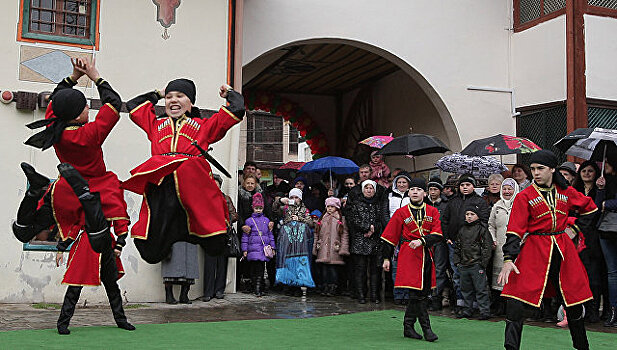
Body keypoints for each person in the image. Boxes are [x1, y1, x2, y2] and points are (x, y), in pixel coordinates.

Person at [122, 78, 244, 264]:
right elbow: (133, 105)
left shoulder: (204, 125)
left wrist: (229, 93)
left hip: (193, 187)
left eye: (180, 96)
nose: (173, 100)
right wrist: (157, 94)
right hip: (162, 186)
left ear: (191, 102)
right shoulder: (155, 125)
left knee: (213, 237)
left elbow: (236, 110)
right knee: (149, 244)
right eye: (169, 97)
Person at [19, 57, 129, 255]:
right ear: (78, 116)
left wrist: (74, 76)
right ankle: (118, 241)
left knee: (27, 230)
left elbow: (56, 96)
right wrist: (95, 76)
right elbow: (113, 103)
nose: (89, 108)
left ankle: (34, 191)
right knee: (104, 226)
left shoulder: (55, 127)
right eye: (86, 106)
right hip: (96, 185)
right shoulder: (89, 134)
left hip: (64, 190)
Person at [14, 163, 134, 335]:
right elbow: (77, 225)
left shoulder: (108, 191)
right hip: (88, 243)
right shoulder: (90, 195)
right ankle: (62, 323)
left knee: (111, 285)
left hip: (105, 241)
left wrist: (120, 244)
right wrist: (61, 247)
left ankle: (121, 320)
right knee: (76, 286)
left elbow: (120, 220)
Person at [498, 150, 597, 350]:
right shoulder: (524, 196)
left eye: (540, 168)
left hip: (563, 251)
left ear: (552, 169)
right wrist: (508, 259)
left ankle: (582, 346)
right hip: (534, 251)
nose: (535, 173)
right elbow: (515, 230)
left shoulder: (565, 191)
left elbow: (590, 208)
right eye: (533, 169)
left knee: (573, 302)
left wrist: (574, 229)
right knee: (515, 302)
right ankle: (511, 347)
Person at [381, 177, 442, 342]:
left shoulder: (432, 211)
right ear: (408, 192)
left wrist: (422, 241)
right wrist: (386, 257)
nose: (415, 192)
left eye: (418, 189)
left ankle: (408, 326)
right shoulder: (401, 213)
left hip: (425, 256)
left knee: (420, 295)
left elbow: (437, 234)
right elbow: (389, 236)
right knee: (417, 294)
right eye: (412, 189)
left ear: (424, 193)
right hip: (408, 256)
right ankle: (427, 329)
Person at [441, 173, 489, 312]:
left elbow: (484, 221)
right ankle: (462, 304)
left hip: (474, 245)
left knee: (476, 277)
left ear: (473, 186)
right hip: (455, 243)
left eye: (468, 185)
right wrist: (446, 237)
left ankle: (477, 305)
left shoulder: (479, 202)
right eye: (462, 185)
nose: (465, 187)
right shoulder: (453, 201)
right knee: (457, 274)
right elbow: (445, 220)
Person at [573, 160, 607, 323]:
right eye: (583, 171)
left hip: (593, 237)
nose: (586, 173)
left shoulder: (599, 189)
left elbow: (597, 209)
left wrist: (600, 190)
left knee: (594, 275)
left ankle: (593, 310)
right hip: (575, 235)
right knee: (578, 274)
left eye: (590, 171)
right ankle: (581, 309)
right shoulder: (575, 190)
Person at [347, 180, 388, 304]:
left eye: (371, 188)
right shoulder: (356, 204)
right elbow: (353, 220)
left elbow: (382, 220)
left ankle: (375, 295)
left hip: (375, 240)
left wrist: (374, 228)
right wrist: (366, 227)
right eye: (366, 188)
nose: (369, 190)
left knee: (375, 270)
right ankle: (361, 294)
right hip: (360, 240)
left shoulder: (379, 204)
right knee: (361, 270)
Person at [202, 174, 238, 302]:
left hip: (224, 234)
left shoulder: (226, 198)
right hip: (210, 235)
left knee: (222, 264)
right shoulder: (205, 199)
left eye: (216, 184)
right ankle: (208, 292)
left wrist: (225, 218)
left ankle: (219, 290)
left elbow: (234, 215)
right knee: (209, 264)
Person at [453, 203, 492, 319]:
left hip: (477, 264)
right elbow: (457, 246)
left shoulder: (482, 230)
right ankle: (467, 309)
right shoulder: (462, 230)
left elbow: (487, 247)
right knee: (465, 289)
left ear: (478, 216)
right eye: (467, 214)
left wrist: (482, 263)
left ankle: (484, 311)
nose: (469, 216)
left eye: (472, 214)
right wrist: (457, 262)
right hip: (464, 265)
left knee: (481, 289)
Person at [274, 188, 315, 295]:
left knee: (298, 263)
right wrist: (280, 201)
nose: (294, 199)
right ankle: (287, 285)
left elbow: (311, 223)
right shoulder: (284, 208)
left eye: (296, 197)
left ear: (300, 199)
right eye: (292, 197)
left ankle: (298, 286)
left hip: (300, 242)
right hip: (287, 240)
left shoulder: (305, 210)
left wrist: (299, 219)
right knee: (287, 261)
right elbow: (274, 209)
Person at [488, 178, 520, 316]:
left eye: (510, 188)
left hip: (516, 246)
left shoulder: (520, 204)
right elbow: (491, 225)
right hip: (500, 246)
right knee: (499, 277)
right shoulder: (497, 206)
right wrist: (493, 239)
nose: (507, 191)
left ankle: (514, 307)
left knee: (514, 276)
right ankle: (500, 307)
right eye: (505, 189)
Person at [384, 171, 412, 305]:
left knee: (408, 266)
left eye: (404, 182)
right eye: (399, 182)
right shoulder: (389, 196)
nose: (401, 185)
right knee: (395, 266)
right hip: (394, 233)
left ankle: (407, 294)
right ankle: (398, 294)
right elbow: (385, 213)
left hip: (408, 233)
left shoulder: (412, 196)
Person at [313, 197, 349, 296]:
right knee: (324, 270)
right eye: (328, 206)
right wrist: (316, 246)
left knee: (333, 270)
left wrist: (343, 248)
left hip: (335, 249)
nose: (329, 209)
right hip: (323, 249)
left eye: (332, 207)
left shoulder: (340, 219)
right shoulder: (322, 219)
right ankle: (325, 286)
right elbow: (316, 234)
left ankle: (333, 287)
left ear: (336, 208)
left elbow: (344, 235)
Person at [242, 193, 276, 297]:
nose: (258, 210)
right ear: (253, 208)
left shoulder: (266, 221)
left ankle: (258, 287)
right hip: (253, 249)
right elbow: (245, 237)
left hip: (262, 250)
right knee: (254, 269)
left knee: (261, 269)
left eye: (260, 208)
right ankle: (256, 287)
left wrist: (273, 247)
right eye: (256, 208)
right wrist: (245, 250)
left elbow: (270, 235)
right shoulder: (249, 221)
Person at [597, 155, 617, 327]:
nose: (605, 165)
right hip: (606, 230)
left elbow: (606, 205)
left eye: (608, 162)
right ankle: (612, 311)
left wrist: (607, 204)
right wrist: (601, 189)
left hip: (611, 227)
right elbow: (597, 206)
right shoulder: (605, 181)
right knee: (611, 273)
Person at [425, 176, 449, 311]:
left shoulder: (445, 204)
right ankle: (427, 295)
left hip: (439, 240)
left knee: (439, 269)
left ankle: (437, 296)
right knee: (427, 268)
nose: (433, 192)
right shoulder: (424, 203)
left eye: (435, 189)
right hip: (427, 240)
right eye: (430, 189)